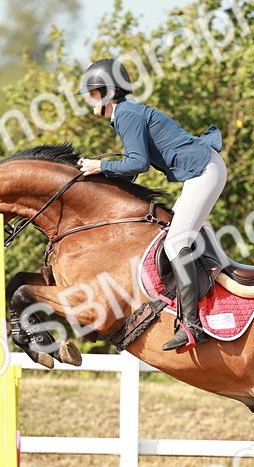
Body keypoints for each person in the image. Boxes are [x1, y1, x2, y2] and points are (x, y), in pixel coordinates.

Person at [76, 58, 226, 351]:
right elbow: (132, 169)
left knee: (175, 244)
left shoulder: (126, 114)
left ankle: (193, 325)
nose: (89, 100)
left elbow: (138, 164)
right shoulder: (126, 113)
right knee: (177, 235)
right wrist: (99, 175)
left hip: (203, 170)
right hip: (202, 170)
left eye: (92, 93)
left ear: (106, 93)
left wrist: (99, 165)